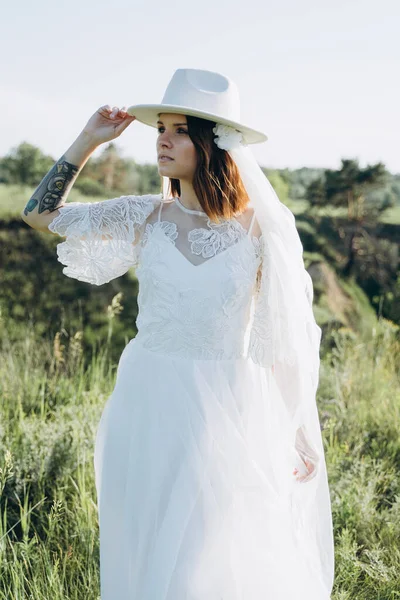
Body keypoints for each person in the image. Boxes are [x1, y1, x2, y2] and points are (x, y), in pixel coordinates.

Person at [21, 68, 334, 599]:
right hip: (147, 402)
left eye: (180, 129)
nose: (163, 139)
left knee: (209, 552)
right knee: (147, 546)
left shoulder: (262, 229)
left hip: (226, 406)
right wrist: (89, 139)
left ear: (212, 143)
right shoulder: (145, 215)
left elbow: (278, 335)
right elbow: (40, 214)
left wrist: (296, 426)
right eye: (160, 128)